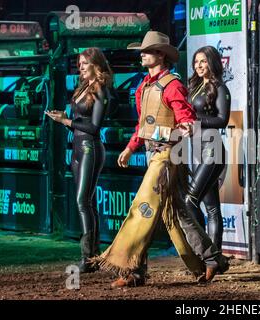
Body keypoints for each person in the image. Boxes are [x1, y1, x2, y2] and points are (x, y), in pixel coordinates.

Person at [92, 31, 228, 288]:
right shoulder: (144, 86)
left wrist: (185, 126)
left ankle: (130, 268)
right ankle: (209, 260)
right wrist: (131, 148)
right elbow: (142, 125)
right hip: (153, 153)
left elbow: (185, 116)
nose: (142, 55)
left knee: (142, 207)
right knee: (175, 213)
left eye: (147, 51)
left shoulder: (173, 85)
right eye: (142, 51)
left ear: (161, 56)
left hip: (166, 155)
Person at [46, 47, 112, 272]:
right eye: (79, 63)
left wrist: (67, 122)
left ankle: (88, 257)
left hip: (89, 148)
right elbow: (78, 119)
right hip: (76, 149)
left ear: (96, 65)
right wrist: (64, 117)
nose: (80, 67)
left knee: (83, 201)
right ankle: (94, 257)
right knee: (87, 202)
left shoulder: (101, 90)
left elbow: (94, 127)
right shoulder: (83, 87)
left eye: (85, 63)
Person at [185, 46, 231, 250]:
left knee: (189, 201)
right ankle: (213, 256)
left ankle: (207, 253)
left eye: (203, 61)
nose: (199, 66)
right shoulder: (194, 87)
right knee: (211, 207)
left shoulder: (220, 88)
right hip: (196, 148)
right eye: (196, 62)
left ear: (212, 62)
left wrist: (195, 120)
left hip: (212, 149)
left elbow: (222, 120)